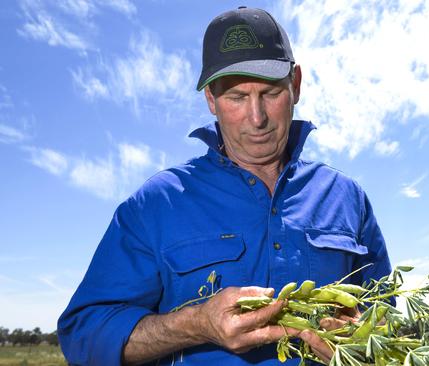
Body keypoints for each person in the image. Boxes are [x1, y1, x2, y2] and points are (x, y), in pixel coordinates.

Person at [58, 6, 391, 365]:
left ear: (295, 86)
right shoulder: (158, 202)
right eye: (236, 97)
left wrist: (363, 337)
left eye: (270, 93)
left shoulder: (346, 196)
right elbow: (83, 335)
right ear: (211, 101)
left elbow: (386, 316)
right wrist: (196, 324)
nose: (257, 117)